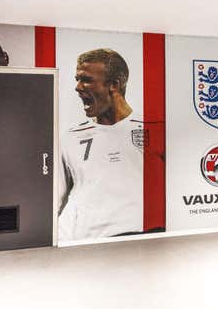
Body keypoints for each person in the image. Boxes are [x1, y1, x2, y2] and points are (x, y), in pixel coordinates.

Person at [58, 48, 150, 240]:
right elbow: (56, 200)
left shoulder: (154, 130)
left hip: (141, 239)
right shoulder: (70, 138)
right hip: (86, 242)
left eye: (86, 80)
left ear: (113, 85)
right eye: (77, 79)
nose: (78, 87)